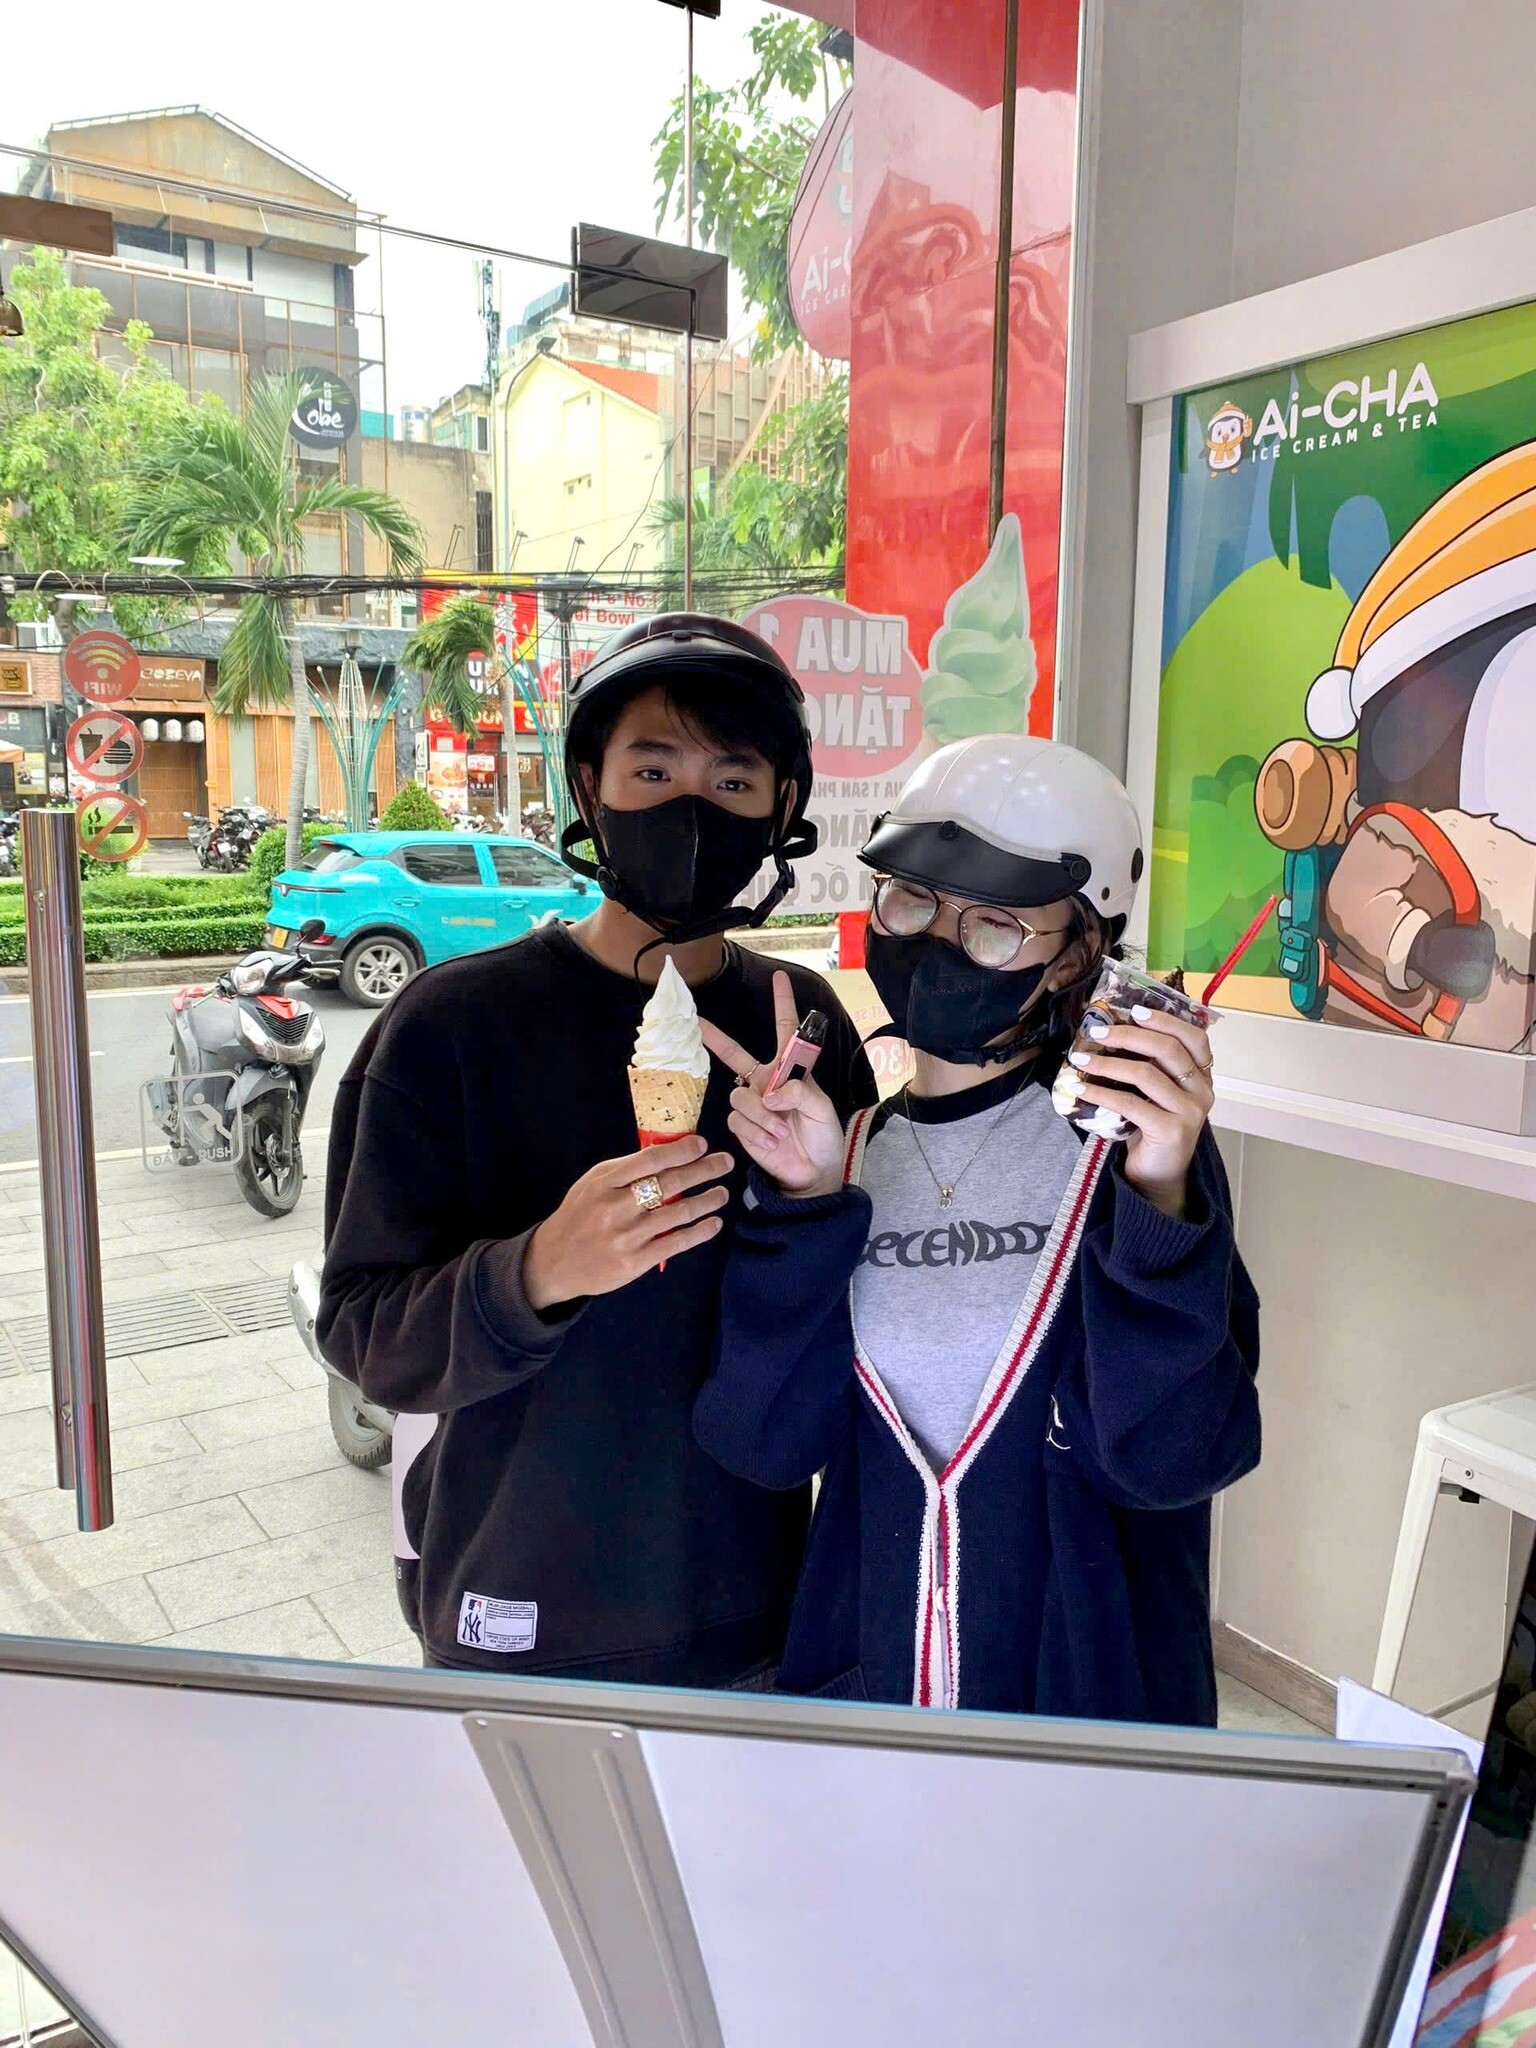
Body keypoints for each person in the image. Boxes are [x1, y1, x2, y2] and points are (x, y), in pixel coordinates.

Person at [318, 614, 875, 1684]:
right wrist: (536, 1271)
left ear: (782, 810)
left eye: (733, 780)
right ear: (591, 786)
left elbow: (857, 1321)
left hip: (759, 1614)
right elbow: (363, 1333)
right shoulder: (450, 1027)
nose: (691, 808)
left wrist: (816, 1208)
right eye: (653, 770)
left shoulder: (801, 1028)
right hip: (519, 1618)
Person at [693, 733, 1260, 1723]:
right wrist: (804, 1208)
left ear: (1077, 953)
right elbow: (765, 1444)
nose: (939, 941)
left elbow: (1171, 1460)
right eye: (913, 899)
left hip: (1085, 1732)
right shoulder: (843, 1151)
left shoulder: (1132, 1157)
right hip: (876, 1727)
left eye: (997, 921)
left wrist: (1162, 1202)